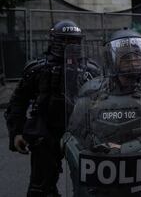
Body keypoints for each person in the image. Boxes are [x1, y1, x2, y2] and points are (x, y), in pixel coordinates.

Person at [63, 28, 141, 196]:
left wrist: (121, 151)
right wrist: (84, 161)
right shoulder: (92, 92)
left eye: (136, 56)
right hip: (102, 178)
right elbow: (70, 136)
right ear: (112, 60)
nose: (133, 61)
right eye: (126, 57)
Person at [4, 20, 99, 197]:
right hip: (45, 133)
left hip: (81, 134)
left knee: (90, 185)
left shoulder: (90, 70)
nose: (71, 46)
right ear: (55, 41)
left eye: (74, 41)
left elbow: (102, 104)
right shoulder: (37, 69)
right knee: (41, 187)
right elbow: (18, 103)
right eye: (66, 41)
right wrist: (16, 132)